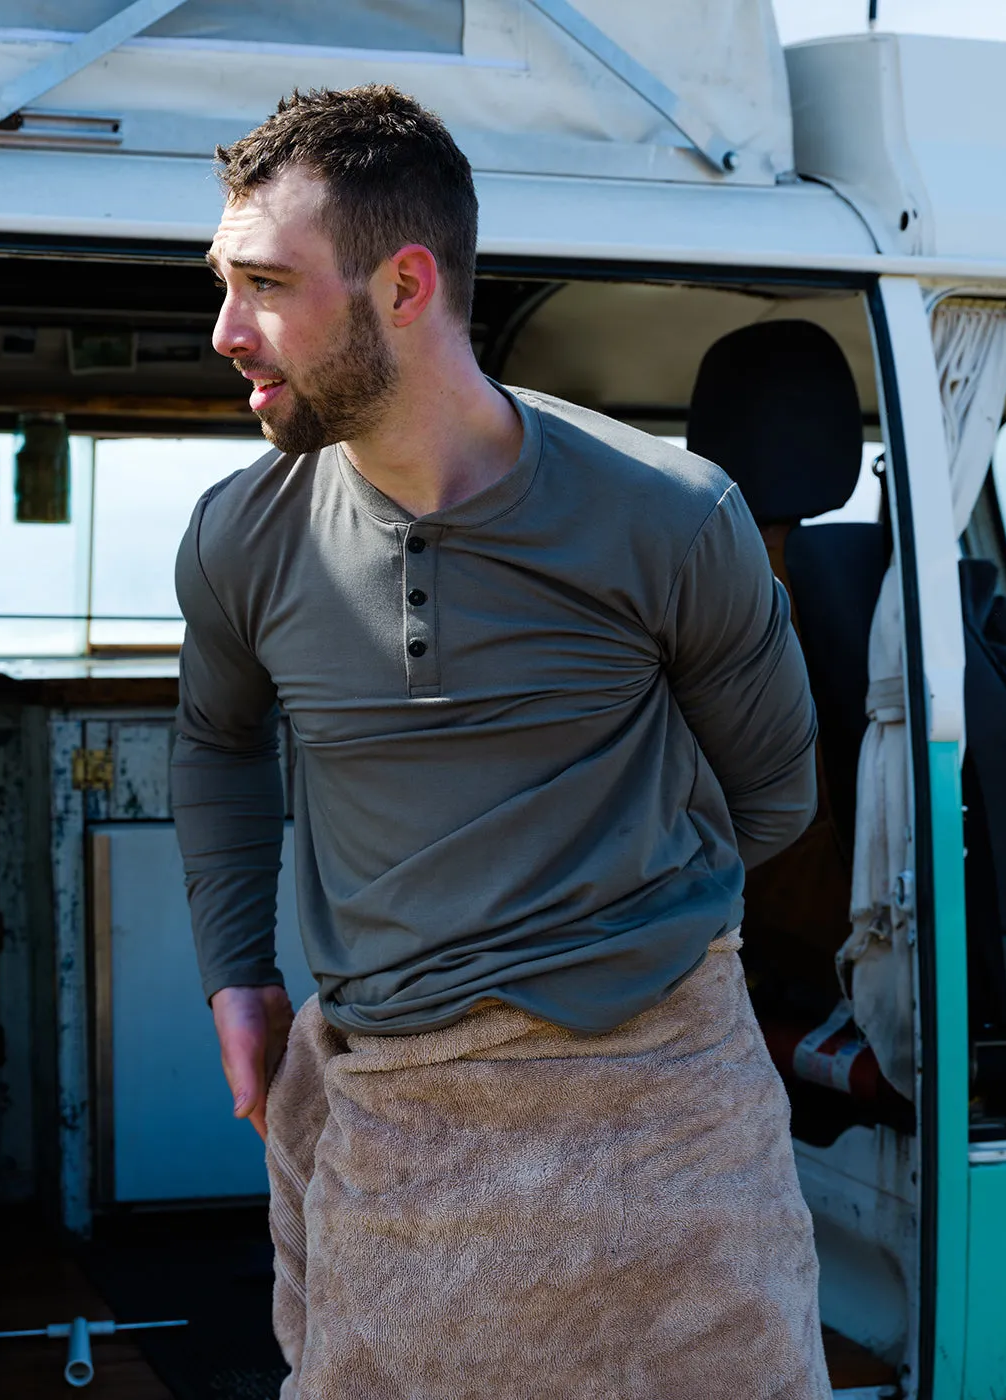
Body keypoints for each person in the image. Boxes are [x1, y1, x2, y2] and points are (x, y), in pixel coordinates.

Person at [172, 84, 830, 1400]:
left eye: (264, 286)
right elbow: (220, 748)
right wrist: (238, 978)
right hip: (394, 1135)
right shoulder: (241, 536)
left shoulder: (673, 517)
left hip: (667, 1133)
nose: (226, 331)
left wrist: (607, 956)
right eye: (223, 282)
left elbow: (775, 798)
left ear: (404, 287)